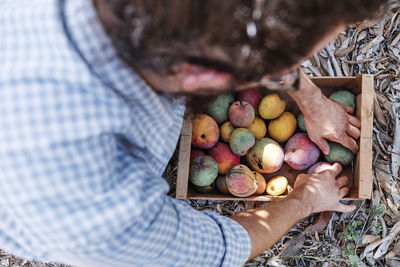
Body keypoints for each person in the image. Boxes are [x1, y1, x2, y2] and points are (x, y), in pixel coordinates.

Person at [0, 0, 389, 266]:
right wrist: (303, 200)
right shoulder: (91, 197)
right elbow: (216, 250)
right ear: (209, 73)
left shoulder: (173, 18)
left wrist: (311, 100)